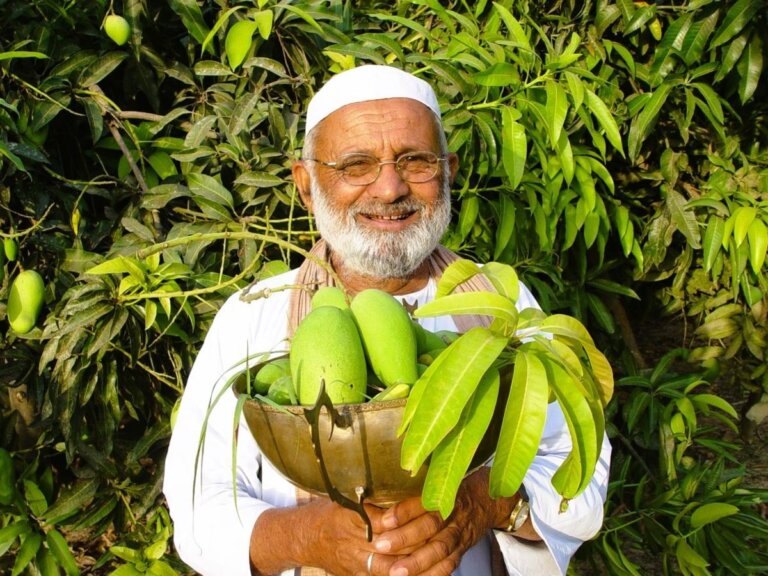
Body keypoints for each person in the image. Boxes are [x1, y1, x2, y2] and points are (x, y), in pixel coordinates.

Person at [163, 65, 611, 576]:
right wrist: (312, 537)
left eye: (416, 161)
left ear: (449, 171)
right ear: (306, 186)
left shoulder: (500, 305)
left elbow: (580, 469)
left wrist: (485, 504)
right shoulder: (254, 314)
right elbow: (197, 501)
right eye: (356, 165)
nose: (389, 188)